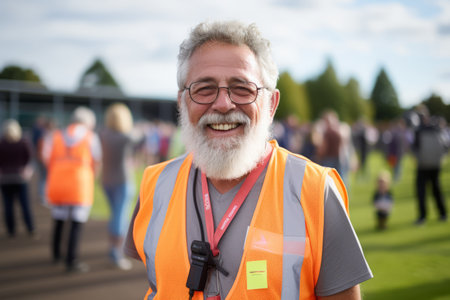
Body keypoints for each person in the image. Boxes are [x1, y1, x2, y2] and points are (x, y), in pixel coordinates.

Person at [124, 20, 372, 299]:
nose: (223, 104)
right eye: (204, 88)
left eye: (242, 88)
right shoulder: (155, 185)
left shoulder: (315, 190)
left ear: (271, 104)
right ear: (182, 102)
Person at [42, 106, 102, 272]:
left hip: (57, 183)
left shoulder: (55, 135)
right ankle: (71, 260)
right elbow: (97, 160)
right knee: (76, 222)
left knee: (58, 219)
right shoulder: (91, 137)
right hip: (80, 185)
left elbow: (46, 157)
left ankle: (55, 254)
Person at [100, 103, 142, 270]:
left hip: (106, 180)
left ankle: (113, 248)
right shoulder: (125, 137)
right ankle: (116, 253)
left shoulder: (103, 134)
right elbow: (139, 136)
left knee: (115, 215)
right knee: (120, 217)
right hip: (122, 181)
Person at [412, 105, 448, 225]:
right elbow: (445, 147)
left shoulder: (418, 131)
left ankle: (422, 217)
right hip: (435, 165)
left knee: (421, 192)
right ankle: (443, 214)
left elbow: (414, 150)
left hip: (422, 165)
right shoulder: (437, 128)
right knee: (436, 189)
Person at [0, 119, 36, 238]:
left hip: (5, 178)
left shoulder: (2, 143)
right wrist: (26, 171)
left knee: (8, 206)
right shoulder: (23, 142)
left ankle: (11, 230)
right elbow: (30, 159)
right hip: (20, 178)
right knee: (25, 205)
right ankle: (30, 228)